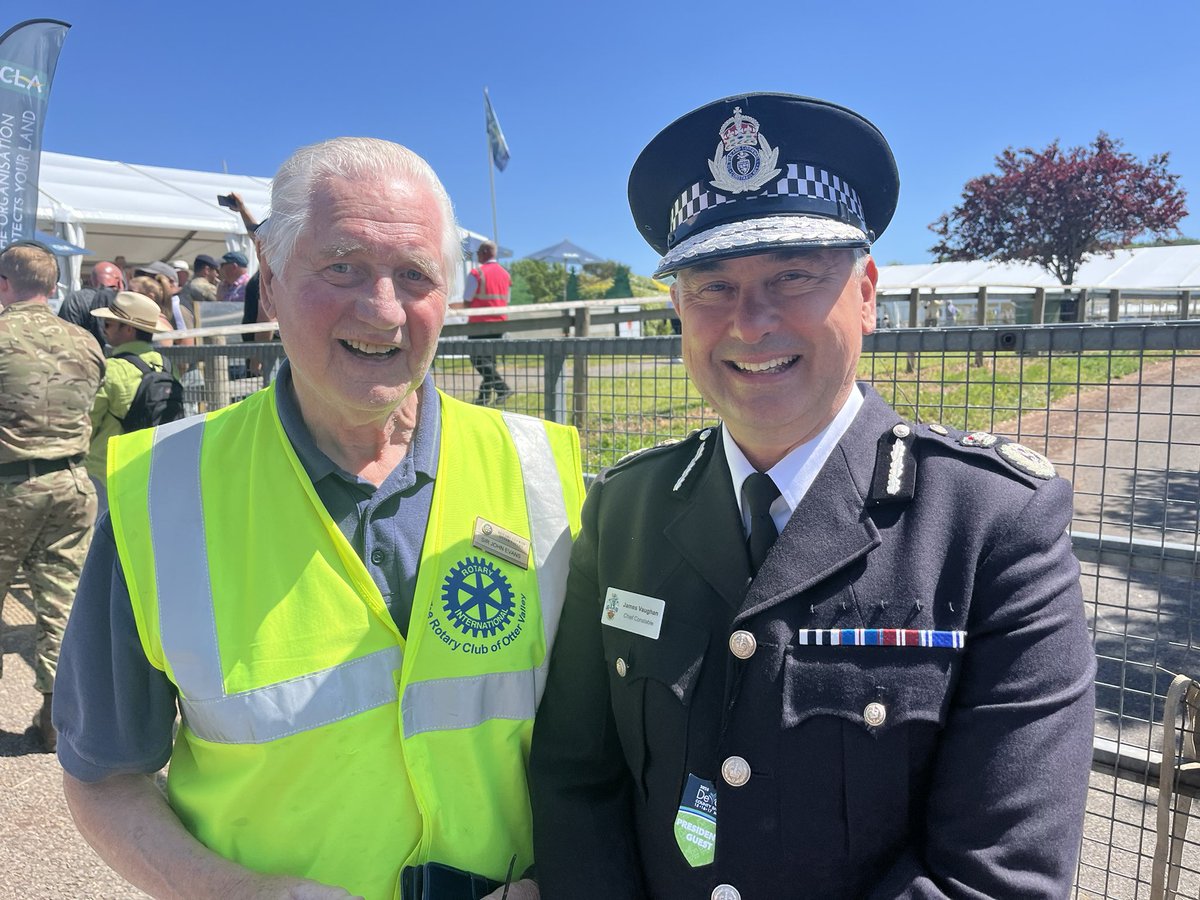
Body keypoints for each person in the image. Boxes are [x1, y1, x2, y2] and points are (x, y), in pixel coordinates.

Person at [529, 93, 1096, 899]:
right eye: (712, 285)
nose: (750, 322)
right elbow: (577, 785)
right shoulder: (626, 510)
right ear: (678, 310)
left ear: (866, 292)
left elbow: (999, 875)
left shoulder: (992, 525)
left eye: (793, 276)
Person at [55, 137, 584, 900]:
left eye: (415, 275)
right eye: (341, 267)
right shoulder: (160, 494)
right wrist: (235, 892)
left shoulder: (546, 473)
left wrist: (564, 880)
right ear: (269, 282)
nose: (381, 310)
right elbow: (105, 778)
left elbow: (612, 748)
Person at [0, 239, 104, 751]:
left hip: (9, 485)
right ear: (53, 287)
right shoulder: (84, 341)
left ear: (4, 284)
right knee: (61, 603)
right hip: (72, 482)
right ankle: (53, 721)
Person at [84, 290, 171, 516]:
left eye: (111, 323)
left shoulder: (111, 369)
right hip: (150, 466)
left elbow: (87, 423)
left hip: (105, 471)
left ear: (129, 329)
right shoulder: (165, 365)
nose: (104, 327)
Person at [453, 240, 512, 404]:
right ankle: (483, 399)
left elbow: (467, 300)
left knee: (478, 360)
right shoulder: (506, 274)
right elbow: (506, 299)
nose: (477, 256)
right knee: (489, 361)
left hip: (479, 323)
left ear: (484, 252)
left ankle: (502, 388)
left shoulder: (476, 273)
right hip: (500, 322)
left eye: (478, 253)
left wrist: (456, 306)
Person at [57, 259, 125, 350]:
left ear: (90, 281)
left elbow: (64, 335)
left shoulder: (75, 298)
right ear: (119, 283)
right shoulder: (122, 302)